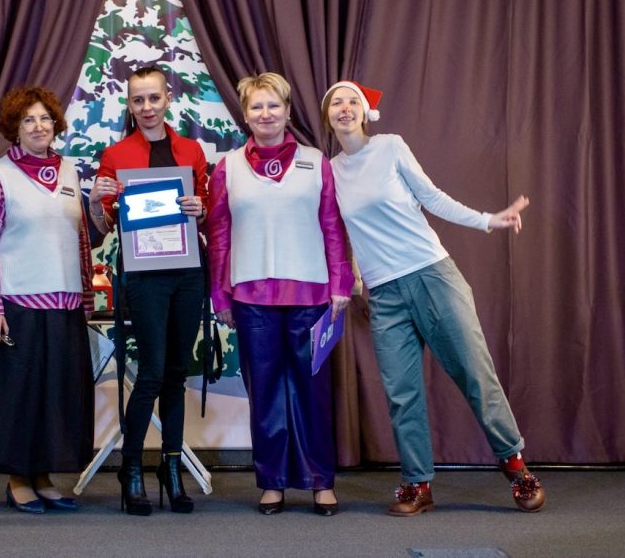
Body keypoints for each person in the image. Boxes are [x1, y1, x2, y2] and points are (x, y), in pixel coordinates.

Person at [321, 80, 545, 516]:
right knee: (401, 393)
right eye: (336, 103)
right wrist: (352, 278)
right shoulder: (331, 171)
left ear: (364, 112)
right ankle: (417, 484)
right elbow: (342, 231)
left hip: (431, 275)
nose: (344, 108)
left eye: (352, 101)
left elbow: (431, 197)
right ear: (328, 116)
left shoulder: (390, 146)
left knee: (476, 375)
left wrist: (487, 220)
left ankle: (516, 466)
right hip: (384, 294)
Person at [206, 72, 352, 516]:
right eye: (257, 106)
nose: (266, 114)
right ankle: (272, 482)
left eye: (274, 105)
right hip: (251, 297)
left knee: (313, 392)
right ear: (245, 114)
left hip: (312, 294)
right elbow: (219, 235)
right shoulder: (227, 167)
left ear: (288, 111)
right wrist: (220, 295)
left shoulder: (316, 162)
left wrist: (341, 284)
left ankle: (320, 481)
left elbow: (332, 226)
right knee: (265, 393)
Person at [0, 86, 95, 514]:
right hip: (16, 304)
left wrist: (86, 296)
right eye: (28, 120)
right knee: (19, 396)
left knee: (55, 396)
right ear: (15, 128)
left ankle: (43, 477)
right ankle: (18, 479)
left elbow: (79, 238)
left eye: (45, 119)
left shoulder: (70, 171)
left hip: (65, 304)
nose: (39, 127)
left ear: (55, 124)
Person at [89, 66, 208, 515]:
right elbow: (103, 225)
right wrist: (95, 200)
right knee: (152, 373)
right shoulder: (116, 154)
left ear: (167, 98)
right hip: (143, 276)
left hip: (188, 272)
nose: (147, 107)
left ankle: (171, 467)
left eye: (153, 98)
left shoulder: (191, 150)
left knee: (176, 373)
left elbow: (209, 210)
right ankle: (132, 467)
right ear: (129, 104)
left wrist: (200, 207)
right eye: (138, 100)